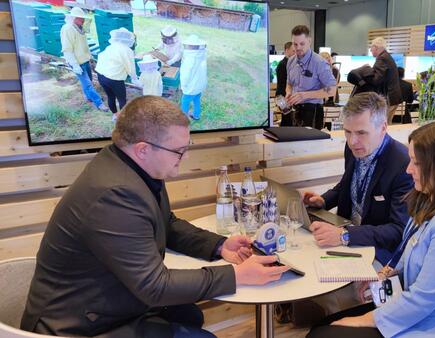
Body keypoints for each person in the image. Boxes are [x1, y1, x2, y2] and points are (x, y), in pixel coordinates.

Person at [20, 96, 289, 338]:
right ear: (143, 149)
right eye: (179, 150)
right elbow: (155, 286)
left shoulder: (130, 168)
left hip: (108, 301)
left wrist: (219, 246)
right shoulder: (115, 193)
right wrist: (236, 275)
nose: (183, 157)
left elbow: (167, 223)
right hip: (78, 325)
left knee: (189, 314)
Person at [308, 119, 435, 338]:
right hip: (421, 307)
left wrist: (361, 320)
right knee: (323, 327)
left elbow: (422, 300)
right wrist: (385, 273)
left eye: (416, 163)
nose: (408, 170)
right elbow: (410, 245)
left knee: (322, 333)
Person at [304, 92, 414, 265]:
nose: (352, 141)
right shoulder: (355, 147)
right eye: (347, 132)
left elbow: (398, 230)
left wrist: (345, 235)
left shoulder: (403, 164)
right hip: (346, 240)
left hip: (379, 253)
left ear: (383, 127)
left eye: (361, 133)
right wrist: (323, 201)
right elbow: (347, 184)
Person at [285, 25, 337, 129]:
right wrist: (288, 93)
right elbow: (289, 84)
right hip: (294, 111)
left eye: (302, 44)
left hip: (313, 112)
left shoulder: (319, 63)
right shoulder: (291, 61)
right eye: (295, 44)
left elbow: (332, 90)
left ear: (309, 41)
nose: (298, 47)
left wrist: (304, 95)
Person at [60, 7, 109, 112]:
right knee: (88, 84)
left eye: (83, 18)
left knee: (88, 82)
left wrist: (90, 57)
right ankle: (99, 103)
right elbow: (67, 50)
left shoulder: (80, 28)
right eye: (80, 18)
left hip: (85, 60)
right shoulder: (68, 29)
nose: (82, 20)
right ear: (73, 18)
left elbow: (84, 46)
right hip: (77, 63)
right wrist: (75, 65)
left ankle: (89, 97)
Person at [95, 27, 140, 121]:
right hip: (114, 78)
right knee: (121, 99)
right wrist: (135, 80)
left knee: (110, 96)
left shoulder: (111, 46)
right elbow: (131, 68)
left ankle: (115, 115)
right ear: (129, 39)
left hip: (101, 75)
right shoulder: (127, 50)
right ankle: (123, 119)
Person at [363, 37, 402, 124]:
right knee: (387, 124)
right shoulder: (386, 56)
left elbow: (376, 80)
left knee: (382, 125)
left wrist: (366, 71)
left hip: (388, 97)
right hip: (393, 96)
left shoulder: (382, 58)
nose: (370, 49)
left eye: (371, 47)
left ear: (376, 47)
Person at [180, 35, 208, 120]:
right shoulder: (201, 55)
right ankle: (196, 116)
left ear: (190, 46)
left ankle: (183, 119)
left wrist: (183, 86)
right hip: (199, 85)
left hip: (191, 87)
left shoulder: (190, 59)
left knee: (185, 102)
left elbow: (186, 75)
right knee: (196, 100)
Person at [276, 42, 294, 126]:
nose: (295, 53)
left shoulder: (290, 64)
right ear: (287, 50)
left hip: (286, 96)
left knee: (289, 119)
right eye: (293, 51)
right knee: (287, 119)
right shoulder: (283, 64)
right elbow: (284, 83)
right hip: (283, 97)